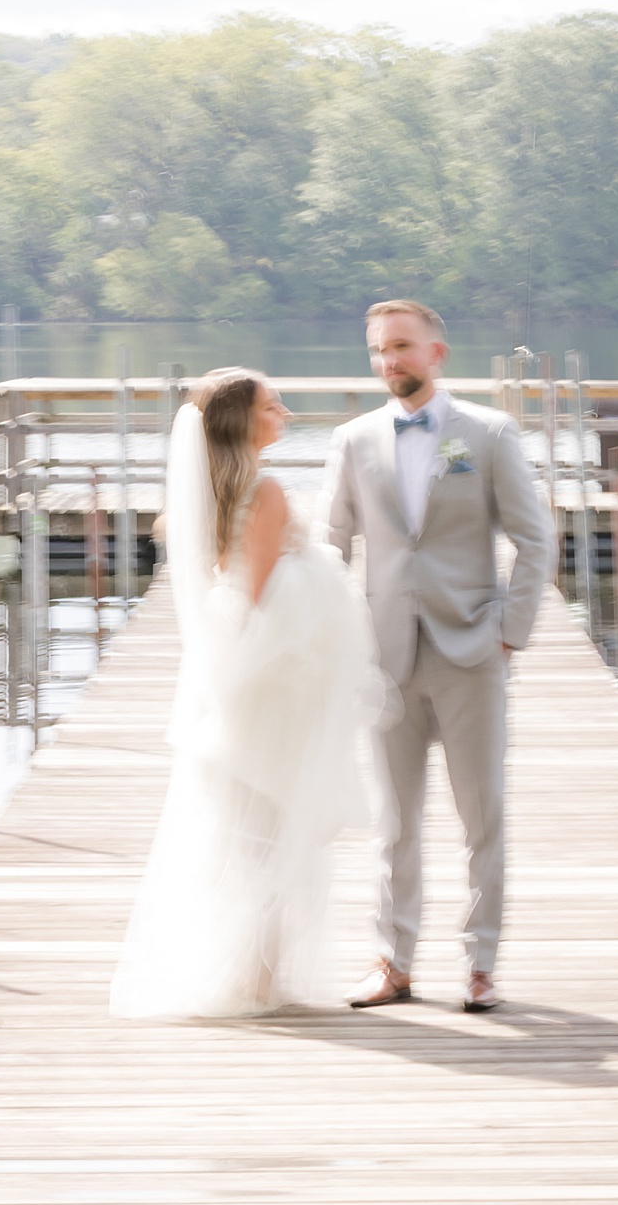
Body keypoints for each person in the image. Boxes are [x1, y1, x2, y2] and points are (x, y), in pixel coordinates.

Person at [109, 369, 377, 1020]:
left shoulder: (209, 496)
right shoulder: (264, 493)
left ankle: (249, 971)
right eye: (270, 404)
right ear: (241, 421)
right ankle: (256, 978)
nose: (284, 410)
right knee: (274, 829)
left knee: (248, 828)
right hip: (270, 685)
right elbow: (260, 598)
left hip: (242, 673)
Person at [326, 300, 554, 1015]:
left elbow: (536, 539)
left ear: (436, 354)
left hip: (471, 652)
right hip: (384, 659)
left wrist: (509, 633)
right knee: (393, 822)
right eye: (378, 350)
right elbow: (331, 545)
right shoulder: (353, 439)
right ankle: (394, 961)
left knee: (481, 816)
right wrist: (334, 638)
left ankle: (480, 963)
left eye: (401, 347)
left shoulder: (488, 434)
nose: (389, 361)